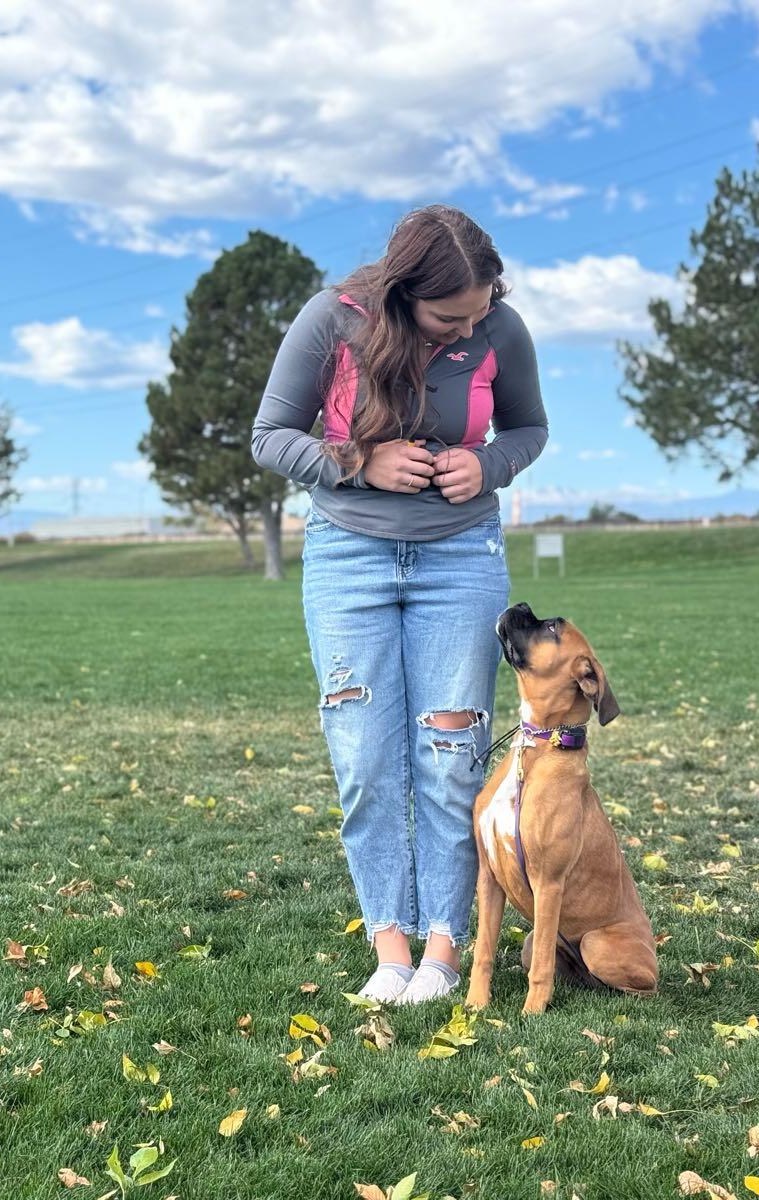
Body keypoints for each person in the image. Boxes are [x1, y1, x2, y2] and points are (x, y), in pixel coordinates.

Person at [251, 204, 549, 1004]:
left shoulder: (500, 329)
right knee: (366, 759)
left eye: (478, 313)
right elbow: (271, 435)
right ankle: (391, 948)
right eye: (449, 317)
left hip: (462, 559)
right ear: (402, 296)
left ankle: (446, 951)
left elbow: (527, 429)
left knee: (452, 757)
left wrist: (487, 470)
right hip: (348, 557)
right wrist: (357, 460)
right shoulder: (331, 321)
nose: (466, 329)